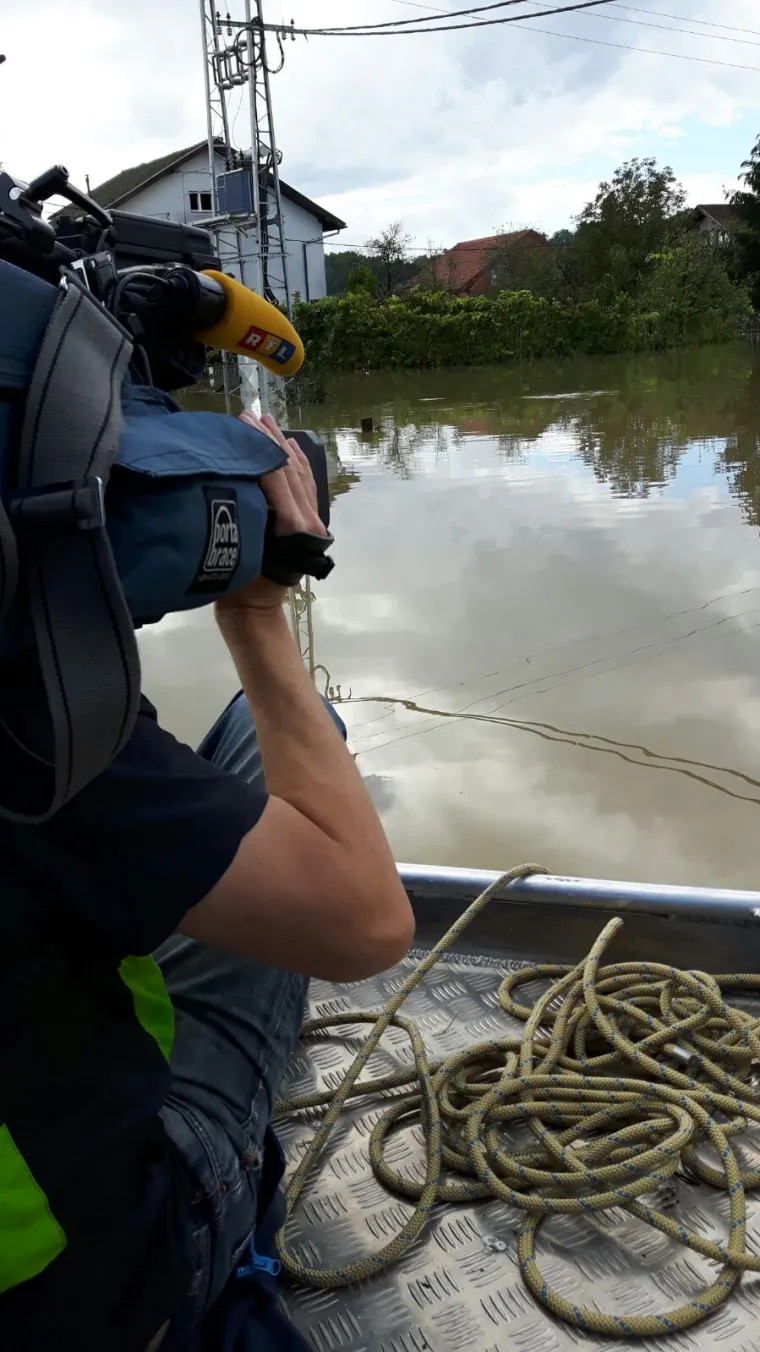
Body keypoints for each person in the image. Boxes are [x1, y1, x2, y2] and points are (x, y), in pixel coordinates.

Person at [0, 411, 414, 1352]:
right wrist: (258, 612)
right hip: (99, 1286)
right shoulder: (33, 730)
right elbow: (368, 924)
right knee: (297, 763)